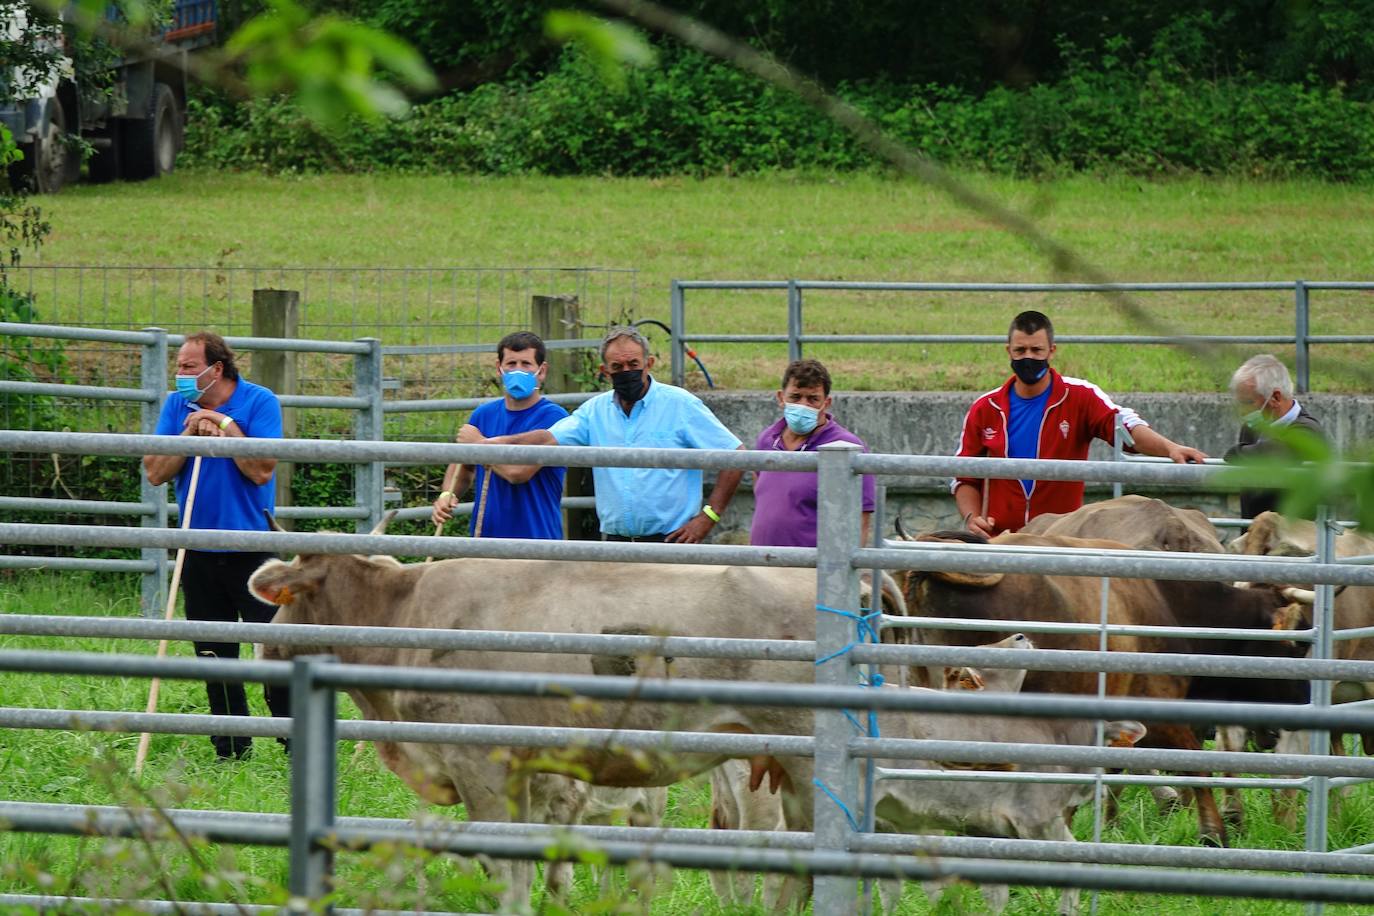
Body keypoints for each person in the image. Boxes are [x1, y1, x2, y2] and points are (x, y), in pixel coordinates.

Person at [142, 332, 288, 761]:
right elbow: (155, 472)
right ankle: (230, 746)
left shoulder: (260, 402)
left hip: (253, 546)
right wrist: (190, 432)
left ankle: (293, 739)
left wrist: (223, 425)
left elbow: (261, 469)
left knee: (275, 647)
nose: (180, 374)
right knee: (212, 650)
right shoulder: (176, 406)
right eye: (180, 366)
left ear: (216, 369)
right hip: (197, 544)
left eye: (188, 367)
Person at [459, 326, 745, 542]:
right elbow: (547, 439)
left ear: (649, 364)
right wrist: (491, 444)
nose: (626, 372)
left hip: (672, 540)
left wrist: (708, 517)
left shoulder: (680, 404)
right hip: (616, 544)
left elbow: (735, 454)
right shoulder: (594, 411)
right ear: (604, 371)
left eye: (633, 364)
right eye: (617, 367)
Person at [953, 310, 1208, 537]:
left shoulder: (1079, 396)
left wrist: (1169, 448)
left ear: (1051, 351)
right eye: (1020, 351)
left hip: (1062, 541)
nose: (1028, 357)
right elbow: (964, 476)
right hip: (1002, 540)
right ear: (1008, 350)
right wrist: (971, 519)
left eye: (1036, 350)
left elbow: (1124, 426)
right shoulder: (986, 408)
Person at [431, 331, 569, 539]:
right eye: (511, 364)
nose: (518, 370)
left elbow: (517, 472)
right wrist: (447, 494)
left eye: (526, 364)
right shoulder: (483, 415)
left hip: (537, 540)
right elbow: (462, 467)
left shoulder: (554, 418)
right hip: (486, 540)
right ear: (499, 368)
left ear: (541, 371)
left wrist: (478, 444)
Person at [749, 358, 876, 547]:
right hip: (760, 565)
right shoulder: (767, 440)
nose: (803, 405)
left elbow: (859, 521)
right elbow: (760, 495)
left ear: (827, 402)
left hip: (813, 571)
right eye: (795, 397)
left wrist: (840, 573)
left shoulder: (847, 448)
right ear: (780, 398)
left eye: (813, 399)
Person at [1224, 354, 1327, 518]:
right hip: (1256, 535)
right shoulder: (1252, 428)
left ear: (1276, 397)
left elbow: (1275, 453)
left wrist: (1237, 453)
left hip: (1298, 538)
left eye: (1248, 403)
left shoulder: (1308, 431)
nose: (1242, 412)